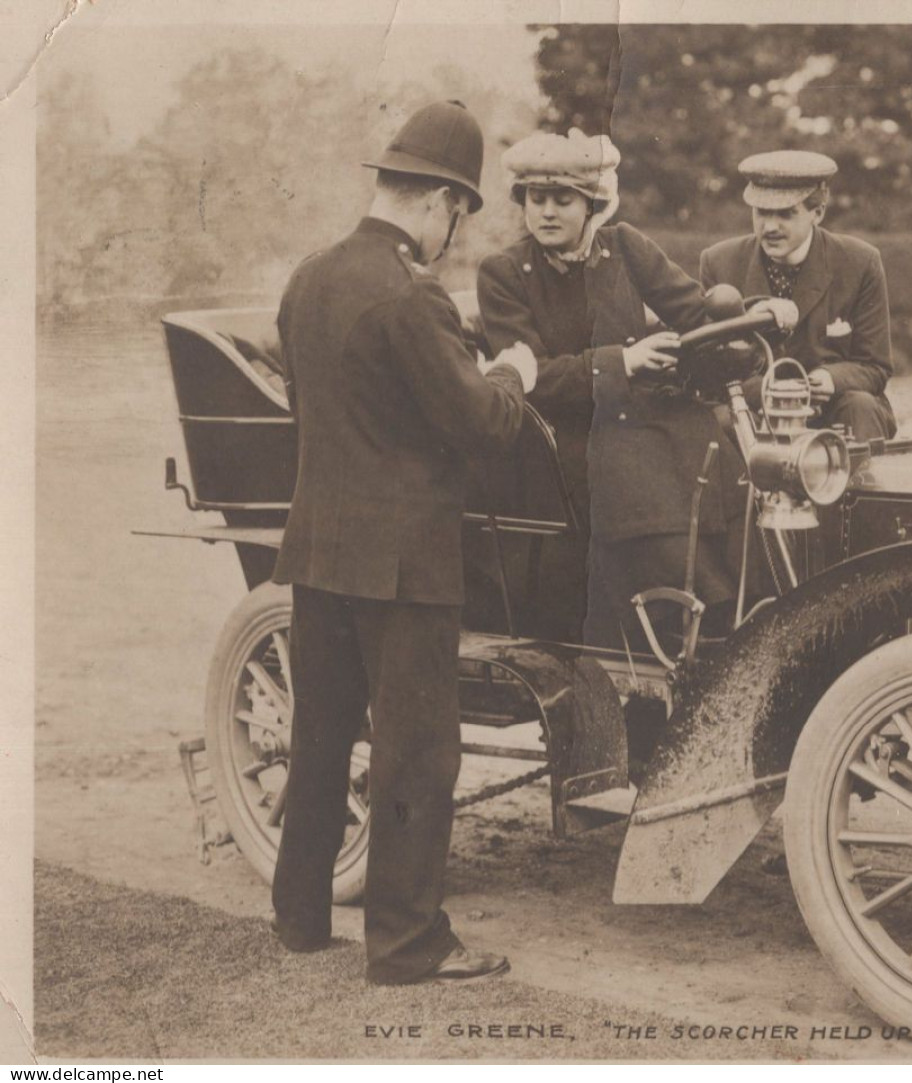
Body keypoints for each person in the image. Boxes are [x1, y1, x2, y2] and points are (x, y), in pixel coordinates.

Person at [270, 100, 539, 985]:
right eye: (456, 220)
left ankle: (301, 916)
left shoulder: (308, 276)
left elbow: (317, 411)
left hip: (318, 549)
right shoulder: (410, 292)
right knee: (416, 752)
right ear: (441, 203)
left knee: (321, 735)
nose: (451, 238)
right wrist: (513, 370)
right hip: (405, 564)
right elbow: (478, 424)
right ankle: (406, 942)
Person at [476, 130, 793, 652]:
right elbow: (528, 376)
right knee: (646, 475)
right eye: (537, 199)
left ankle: (746, 618)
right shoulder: (504, 273)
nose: (548, 212)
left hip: (647, 418)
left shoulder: (624, 246)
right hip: (570, 434)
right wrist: (622, 362)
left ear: (592, 204)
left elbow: (695, 310)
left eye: (563, 200)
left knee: (729, 460)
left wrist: (752, 317)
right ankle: (680, 622)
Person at [700, 150, 898, 442]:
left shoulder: (860, 262)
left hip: (834, 409)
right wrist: (771, 391)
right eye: (761, 212)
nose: (770, 227)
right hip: (753, 409)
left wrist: (830, 380)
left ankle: (859, 488)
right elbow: (708, 369)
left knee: (861, 406)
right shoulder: (719, 262)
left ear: (817, 212)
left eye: (785, 214)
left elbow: (875, 366)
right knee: (716, 421)